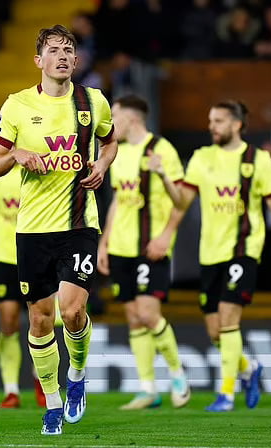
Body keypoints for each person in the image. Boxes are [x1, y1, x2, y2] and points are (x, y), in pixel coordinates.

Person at [0, 25, 117, 435]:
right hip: (33, 230)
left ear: (76, 61)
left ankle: (76, 374)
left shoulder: (93, 102)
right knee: (40, 321)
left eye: (69, 50)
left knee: (72, 310)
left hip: (79, 223)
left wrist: (102, 164)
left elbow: (110, 142)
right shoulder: (17, 105)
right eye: (54, 50)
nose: (63, 55)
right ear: (38, 60)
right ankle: (53, 402)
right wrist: (18, 154)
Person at [164, 100, 271, 412]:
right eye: (210, 120)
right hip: (210, 253)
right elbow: (183, 202)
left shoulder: (258, 160)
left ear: (236, 125)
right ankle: (249, 369)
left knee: (229, 320)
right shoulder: (202, 158)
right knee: (216, 331)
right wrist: (165, 235)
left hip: (243, 251)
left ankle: (226, 394)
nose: (211, 126)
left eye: (218, 121)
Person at [97, 95, 190, 410]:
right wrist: (104, 241)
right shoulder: (117, 153)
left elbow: (181, 202)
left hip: (151, 246)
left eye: (115, 117)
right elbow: (117, 202)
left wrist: (163, 176)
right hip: (121, 246)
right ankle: (147, 388)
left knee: (150, 314)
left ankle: (178, 376)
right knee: (134, 318)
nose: (111, 124)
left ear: (132, 119)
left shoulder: (161, 150)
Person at [0, 158, 24, 408]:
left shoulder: (39, 169)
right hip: (3, 255)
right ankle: (12, 390)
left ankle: (43, 383)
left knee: (43, 320)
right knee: (8, 322)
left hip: (35, 252)